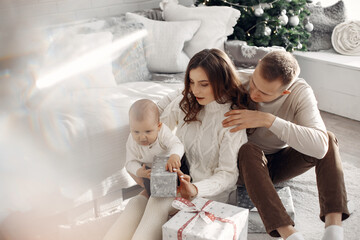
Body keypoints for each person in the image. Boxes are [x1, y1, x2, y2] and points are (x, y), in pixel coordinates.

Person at [103, 48, 255, 240]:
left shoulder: (232, 119)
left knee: (156, 204)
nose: (195, 90)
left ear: (221, 82)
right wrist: (141, 172)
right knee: (136, 204)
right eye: (191, 82)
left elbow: (228, 175)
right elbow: (153, 129)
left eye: (203, 84)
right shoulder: (187, 102)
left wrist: (195, 189)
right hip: (174, 182)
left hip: (206, 193)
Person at [221, 51, 350, 240]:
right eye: (255, 83)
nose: (254, 93)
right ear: (257, 65)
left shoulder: (300, 92)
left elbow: (320, 147)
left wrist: (268, 120)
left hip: (279, 164)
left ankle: (333, 229)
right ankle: (289, 233)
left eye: (264, 93)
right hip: (246, 166)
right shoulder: (238, 81)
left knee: (327, 139)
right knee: (248, 150)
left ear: (285, 91)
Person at [125, 98, 184, 197]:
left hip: (170, 163)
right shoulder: (131, 140)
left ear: (159, 126)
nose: (142, 137)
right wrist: (139, 172)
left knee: (181, 175)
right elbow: (130, 162)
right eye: (136, 132)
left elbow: (177, 144)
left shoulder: (163, 132)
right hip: (150, 170)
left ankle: (178, 193)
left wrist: (174, 155)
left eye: (148, 131)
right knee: (152, 191)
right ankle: (148, 194)